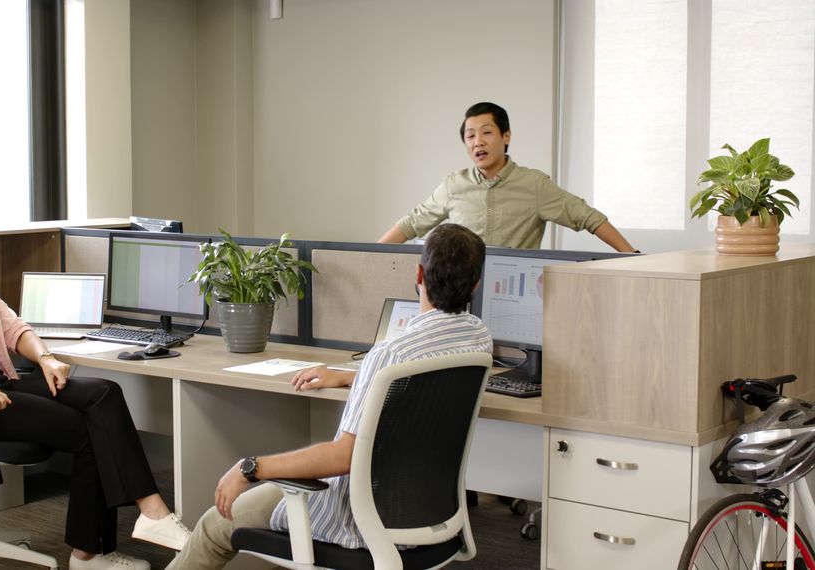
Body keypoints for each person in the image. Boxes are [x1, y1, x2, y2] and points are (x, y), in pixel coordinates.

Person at [0, 187, 190, 570]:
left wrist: (45, 358)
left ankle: (150, 511)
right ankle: (90, 553)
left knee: (103, 394)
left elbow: (14, 326)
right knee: (89, 432)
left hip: (0, 379)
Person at [166, 223, 493, 569]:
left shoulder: (390, 354)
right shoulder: (478, 339)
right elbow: (419, 383)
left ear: (418, 274)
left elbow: (342, 458)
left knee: (213, 526)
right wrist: (352, 376)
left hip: (359, 522)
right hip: (426, 518)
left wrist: (251, 467)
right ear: (475, 284)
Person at [378, 101, 637, 252]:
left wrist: (632, 256)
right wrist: (365, 257)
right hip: (461, 297)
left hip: (514, 293)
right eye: (470, 136)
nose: (478, 142)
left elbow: (587, 217)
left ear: (506, 136)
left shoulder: (534, 185)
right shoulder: (453, 186)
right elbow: (412, 224)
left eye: (486, 132)